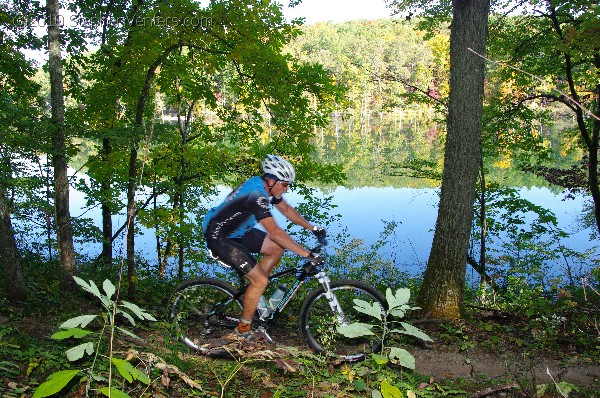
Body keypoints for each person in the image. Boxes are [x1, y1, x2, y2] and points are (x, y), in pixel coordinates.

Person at [202, 154, 326, 339]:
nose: (287, 188)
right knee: (260, 280)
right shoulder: (256, 195)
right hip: (220, 236)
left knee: (276, 249)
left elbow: (286, 209)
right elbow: (276, 232)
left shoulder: (264, 186)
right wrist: (307, 255)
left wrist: (313, 228)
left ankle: (257, 299)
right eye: (285, 184)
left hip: (239, 231)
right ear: (272, 180)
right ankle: (242, 330)